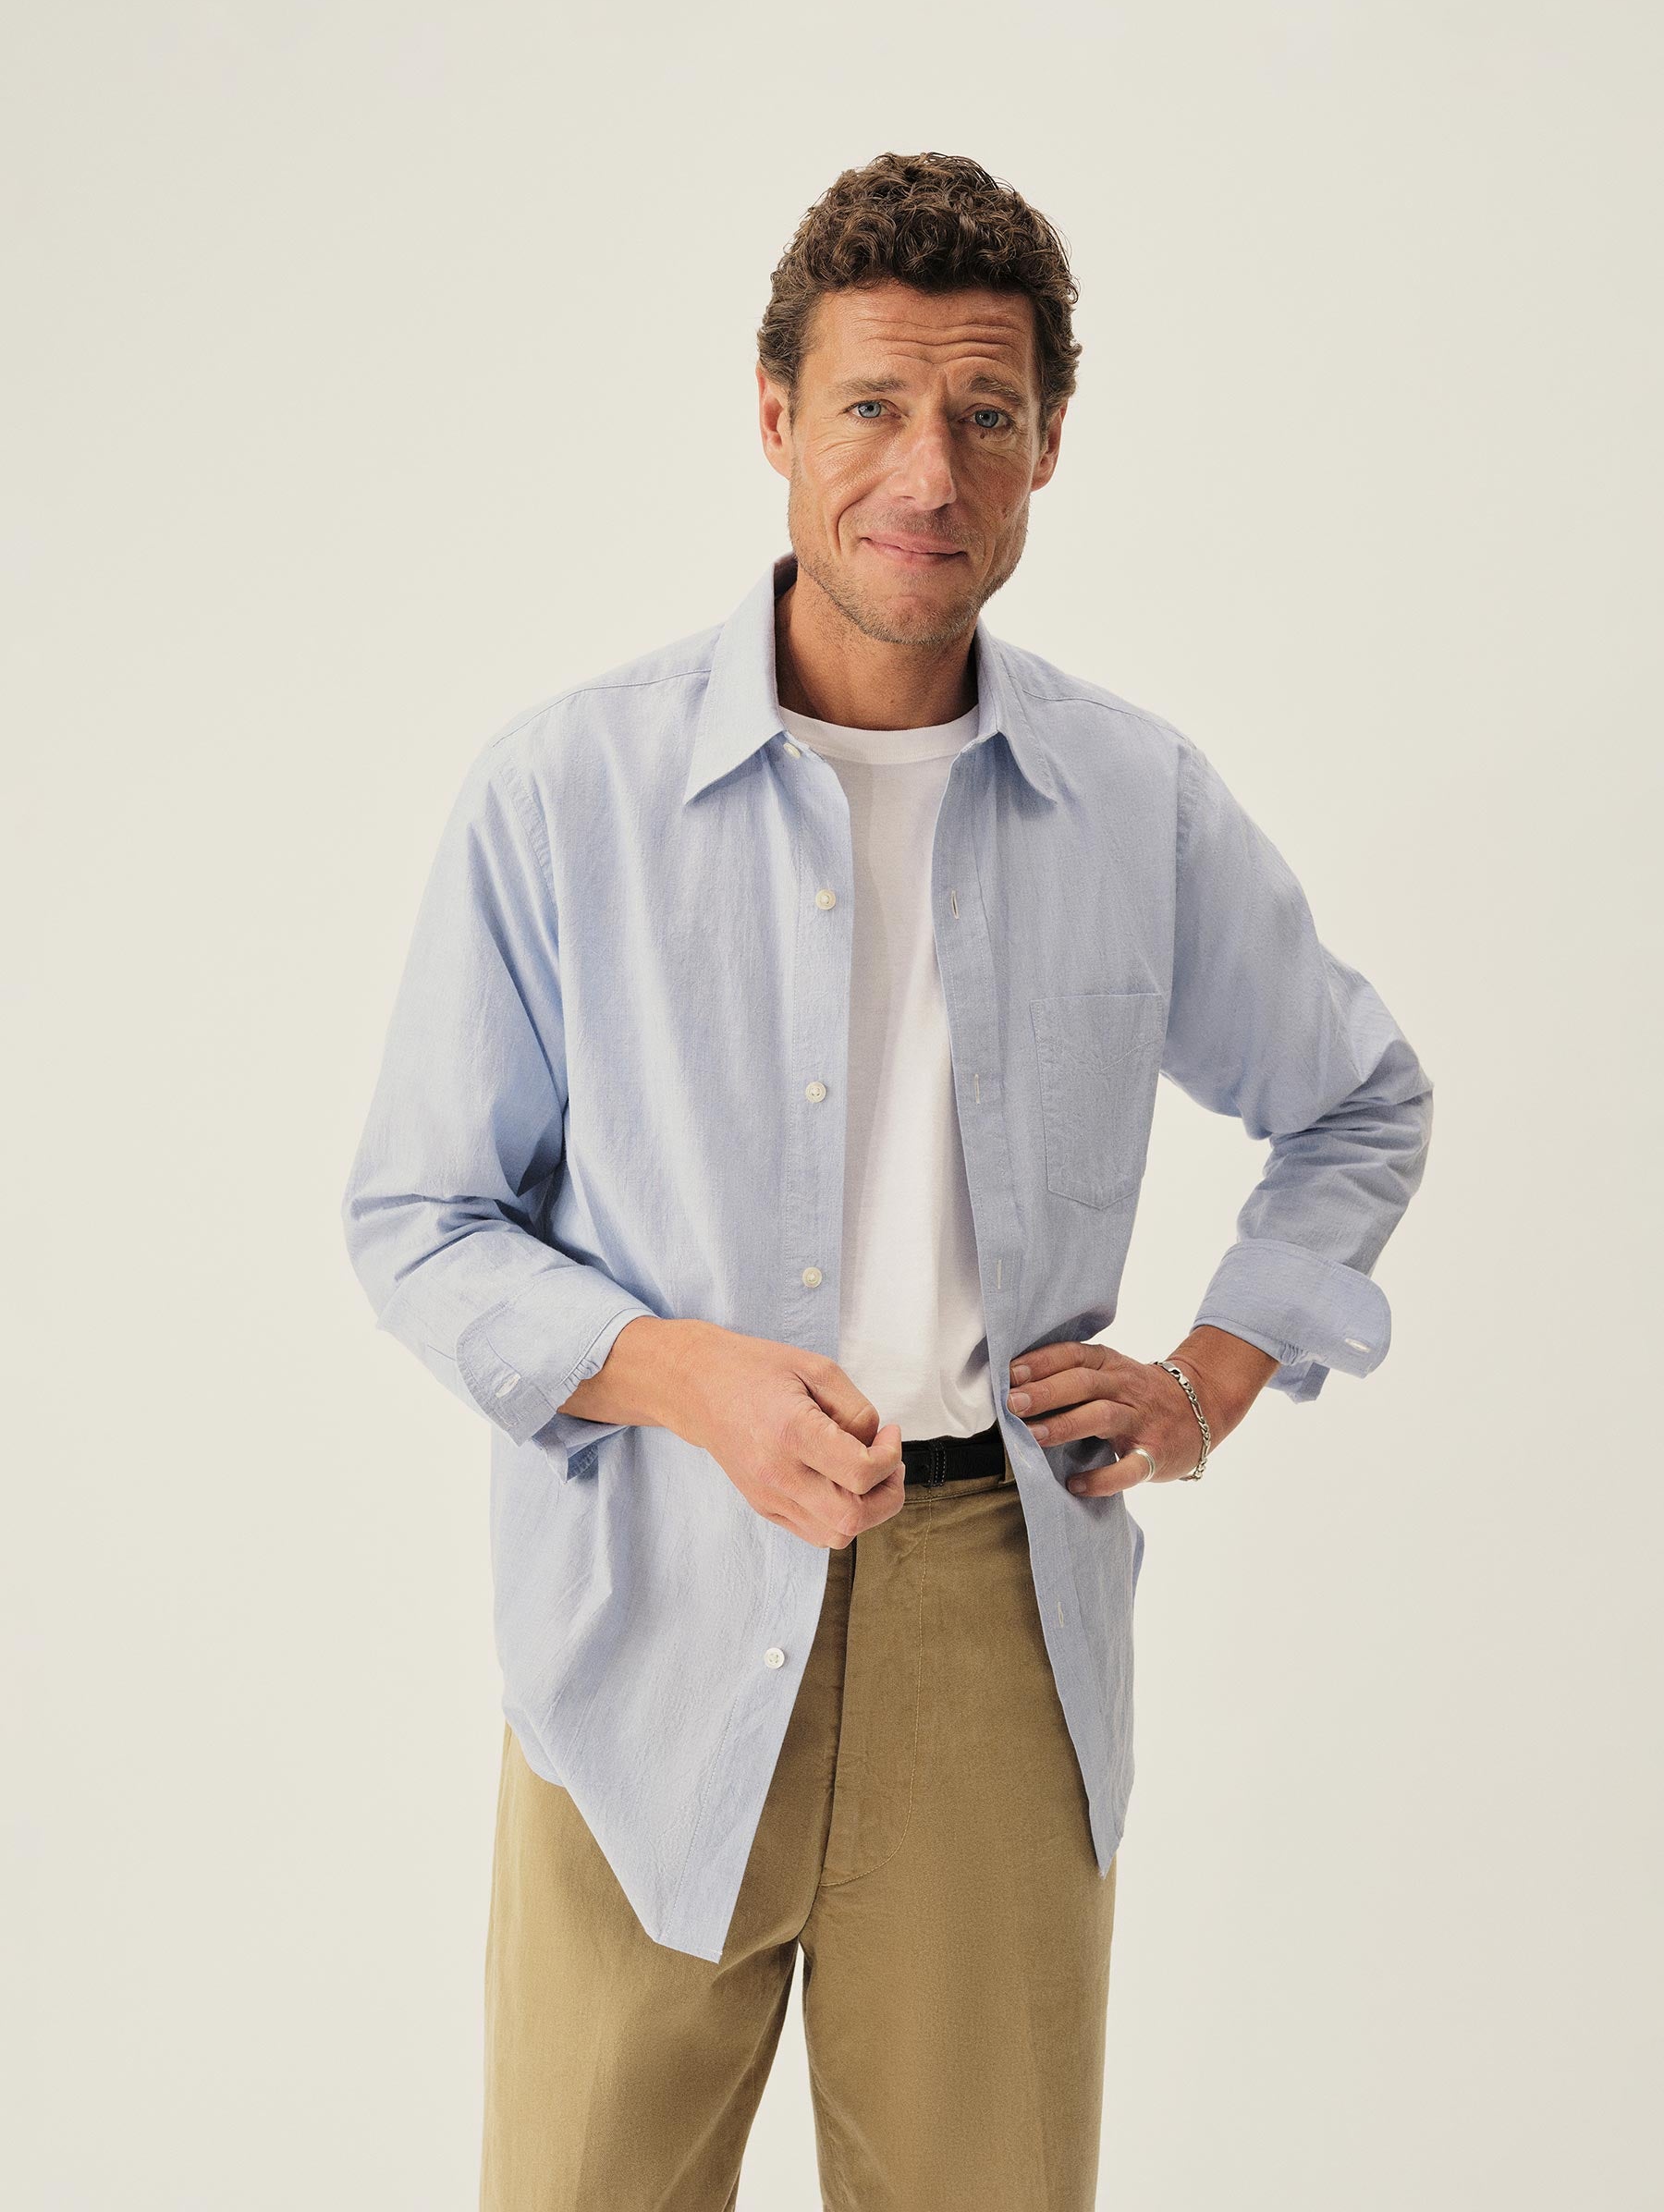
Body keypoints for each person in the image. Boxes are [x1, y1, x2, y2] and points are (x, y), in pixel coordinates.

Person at [341, 148, 1434, 2212]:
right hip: (649, 1608)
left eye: (985, 415)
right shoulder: (568, 792)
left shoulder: (1136, 800)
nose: (929, 472)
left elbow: (1357, 1099)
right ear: (775, 418)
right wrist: (690, 1380)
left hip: (996, 1621)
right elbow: (420, 1217)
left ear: (1048, 449)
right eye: (873, 405)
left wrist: (1209, 1379)